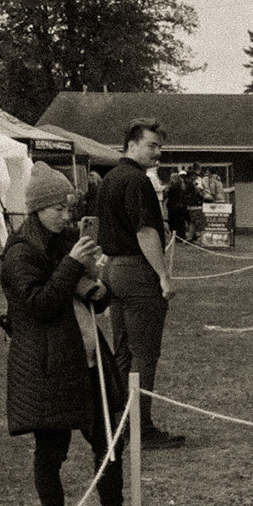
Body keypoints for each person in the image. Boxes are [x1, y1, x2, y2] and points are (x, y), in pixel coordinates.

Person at [2, 166, 162, 506]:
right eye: (57, 208)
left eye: (68, 207)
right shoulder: (21, 253)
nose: (65, 215)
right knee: (52, 448)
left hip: (87, 355)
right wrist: (73, 264)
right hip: (46, 364)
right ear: (37, 209)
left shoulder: (67, 242)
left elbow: (92, 300)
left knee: (109, 439)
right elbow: (41, 305)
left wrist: (96, 283)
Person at [97, 119, 184, 449]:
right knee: (144, 354)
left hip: (113, 270)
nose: (157, 152)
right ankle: (140, 429)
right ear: (131, 145)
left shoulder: (110, 178)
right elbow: (145, 231)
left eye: (160, 146)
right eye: (151, 145)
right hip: (135, 271)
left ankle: (121, 423)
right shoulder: (137, 181)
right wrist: (163, 276)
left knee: (123, 351)